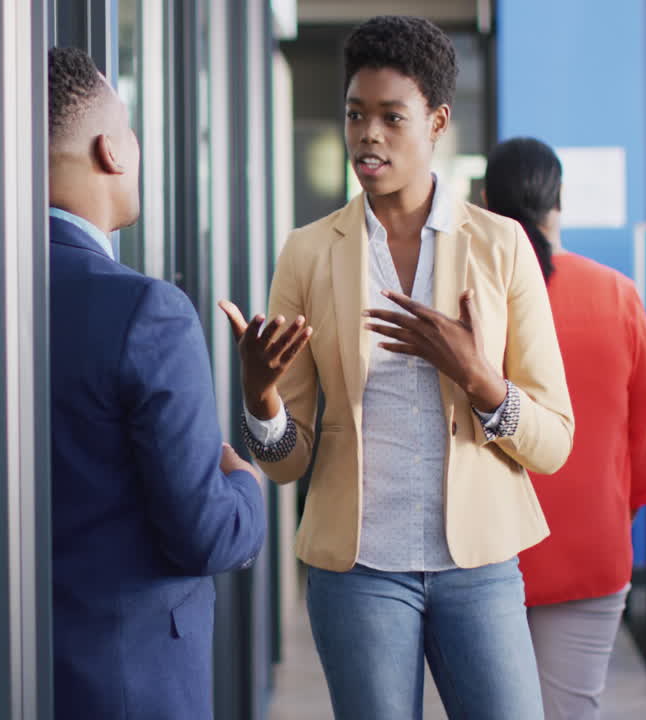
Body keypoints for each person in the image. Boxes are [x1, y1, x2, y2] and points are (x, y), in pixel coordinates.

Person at [218, 16, 574, 719]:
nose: (367, 135)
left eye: (390, 117)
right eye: (356, 115)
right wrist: (261, 400)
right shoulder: (309, 253)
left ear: (438, 120)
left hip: (479, 567)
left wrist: (479, 379)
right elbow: (291, 463)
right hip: (359, 573)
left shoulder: (500, 247)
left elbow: (555, 440)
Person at [0, 47, 269, 719]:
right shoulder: (147, 311)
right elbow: (206, 535)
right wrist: (245, 485)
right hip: (129, 689)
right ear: (114, 150)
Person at [484, 136, 646, 720]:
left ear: (486, 201)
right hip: (591, 547)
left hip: (489, 550)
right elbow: (642, 441)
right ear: (558, 202)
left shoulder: (476, 302)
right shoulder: (618, 295)